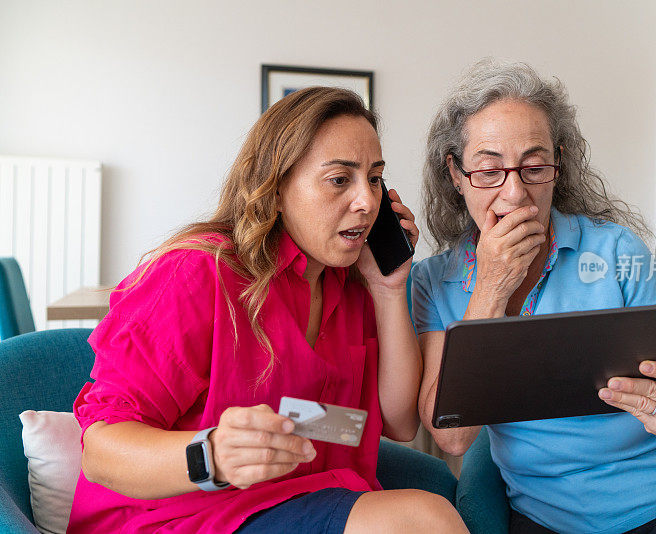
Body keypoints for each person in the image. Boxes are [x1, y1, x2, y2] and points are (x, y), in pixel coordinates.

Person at [68, 87, 468, 534]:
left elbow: (397, 422)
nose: (367, 202)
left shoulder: (351, 282)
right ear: (275, 189)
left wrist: (389, 288)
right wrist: (214, 453)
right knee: (420, 520)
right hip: (183, 516)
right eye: (340, 179)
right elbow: (100, 451)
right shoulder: (195, 274)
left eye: (374, 178)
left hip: (301, 499)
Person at [411, 59, 656, 533]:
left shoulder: (616, 251)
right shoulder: (433, 281)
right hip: (550, 519)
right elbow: (452, 438)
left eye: (534, 167)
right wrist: (490, 288)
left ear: (558, 166)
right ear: (455, 172)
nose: (514, 194)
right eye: (489, 171)